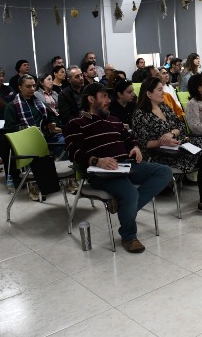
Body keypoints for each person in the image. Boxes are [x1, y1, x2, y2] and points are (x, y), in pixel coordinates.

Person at [64, 83, 173, 253]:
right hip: (101, 172)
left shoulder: (113, 119)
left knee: (164, 172)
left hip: (125, 164)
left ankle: (124, 207)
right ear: (91, 99)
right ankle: (129, 236)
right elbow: (73, 152)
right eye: (104, 97)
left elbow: (130, 138)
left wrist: (136, 147)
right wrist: (96, 161)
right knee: (130, 193)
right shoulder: (76, 123)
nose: (108, 100)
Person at [132, 77, 202, 214]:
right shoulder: (140, 114)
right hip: (160, 153)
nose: (163, 93)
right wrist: (162, 141)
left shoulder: (164, 107)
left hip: (178, 146)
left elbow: (180, 127)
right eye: (159, 90)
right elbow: (143, 143)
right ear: (148, 94)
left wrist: (171, 134)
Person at [4, 75, 64, 200]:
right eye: (28, 86)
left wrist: (50, 124)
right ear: (20, 87)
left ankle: (65, 179)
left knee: (67, 142)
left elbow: (51, 117)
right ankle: (33, 183)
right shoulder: (12, 106)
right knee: (33, 150)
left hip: (45, 136)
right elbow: (10, 129)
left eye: (33, 86)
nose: (32, 89)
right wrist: (30, 131)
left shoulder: (38, 102)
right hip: (27, 140)